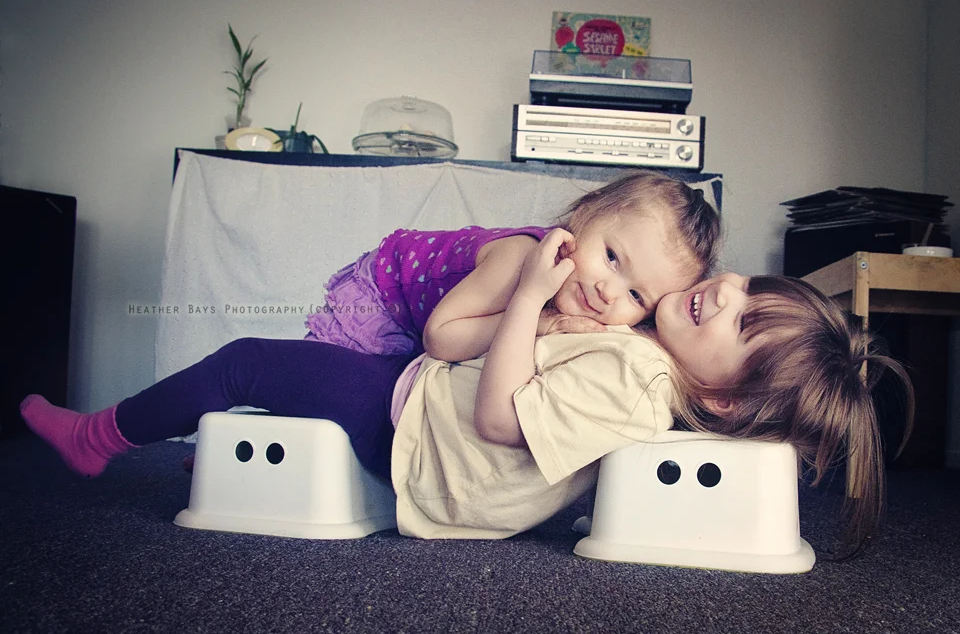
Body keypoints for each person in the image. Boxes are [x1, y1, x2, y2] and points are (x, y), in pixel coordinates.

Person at [20, 231, 912, 559]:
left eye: (744, 324)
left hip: (417, 434)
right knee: (295, 377)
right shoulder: (644, 355)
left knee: (246, 363)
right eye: (750, 288)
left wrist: (529, 297)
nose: (727, 292)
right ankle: (220, 464)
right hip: (422, 415)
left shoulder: (636, 376)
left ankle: (100, 437)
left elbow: (497, 417)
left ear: (723, 403)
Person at [304, 169, 721, 363]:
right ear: (586, 214)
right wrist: (540, 322)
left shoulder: (584, 300)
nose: (608, 292)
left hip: (432, 314)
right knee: (333, 383)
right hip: (384, 294)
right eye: (611, 257)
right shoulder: (521, 258)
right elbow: (441, 338)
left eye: (636, 295)